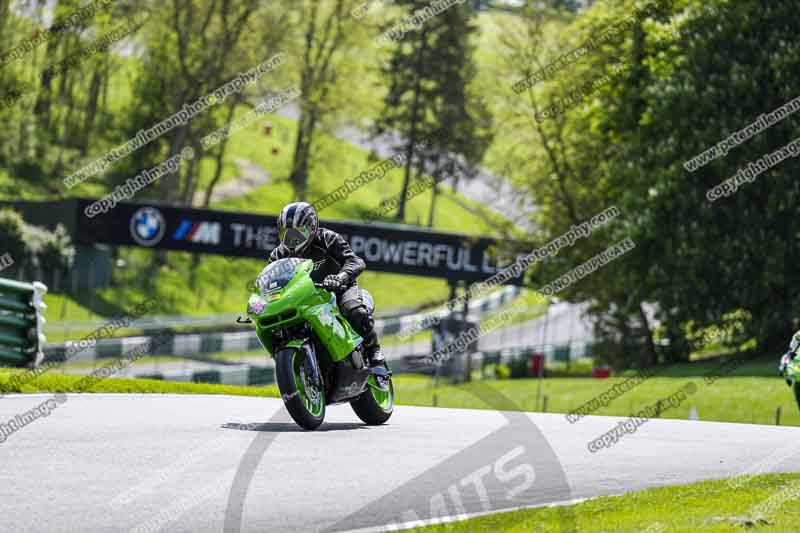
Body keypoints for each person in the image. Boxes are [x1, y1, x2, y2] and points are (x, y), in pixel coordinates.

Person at [269, 201, 384, 365]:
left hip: (338, 289)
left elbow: (355, 261)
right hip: (304, 297)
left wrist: (341, 277)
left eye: (298, 233)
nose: (293, 240)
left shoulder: (327, 239)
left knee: (354, 310)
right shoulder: (277, 256)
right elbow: (270, 282)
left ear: (311, 227)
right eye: (287, 234)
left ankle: (374, 350)